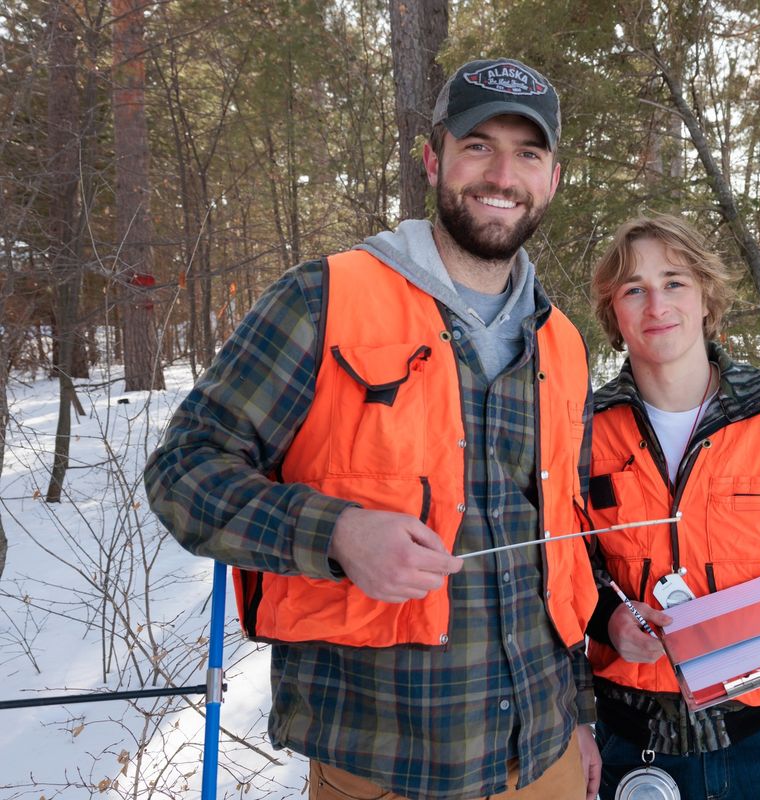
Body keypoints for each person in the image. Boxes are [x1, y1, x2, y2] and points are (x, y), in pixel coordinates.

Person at [144, 58, 601, 800]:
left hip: (544, 761)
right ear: (433, 159)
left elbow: (564, 549)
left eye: (529, 153)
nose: (502, 173)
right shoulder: (325, 297)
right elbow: (183, 470)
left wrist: (580, 715)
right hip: (384, 767)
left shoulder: (566, 345)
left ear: (552, 178)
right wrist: (337, 533)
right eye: (478, 144)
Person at [584, 214, 760, 799]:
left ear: (707, 296)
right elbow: (559, 570)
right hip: (636, 746)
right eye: (633, 288)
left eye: (673, 281)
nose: (655, 303)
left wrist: (732, 638)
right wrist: (608, 622)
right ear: (613, 311)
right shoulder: (582, 432)